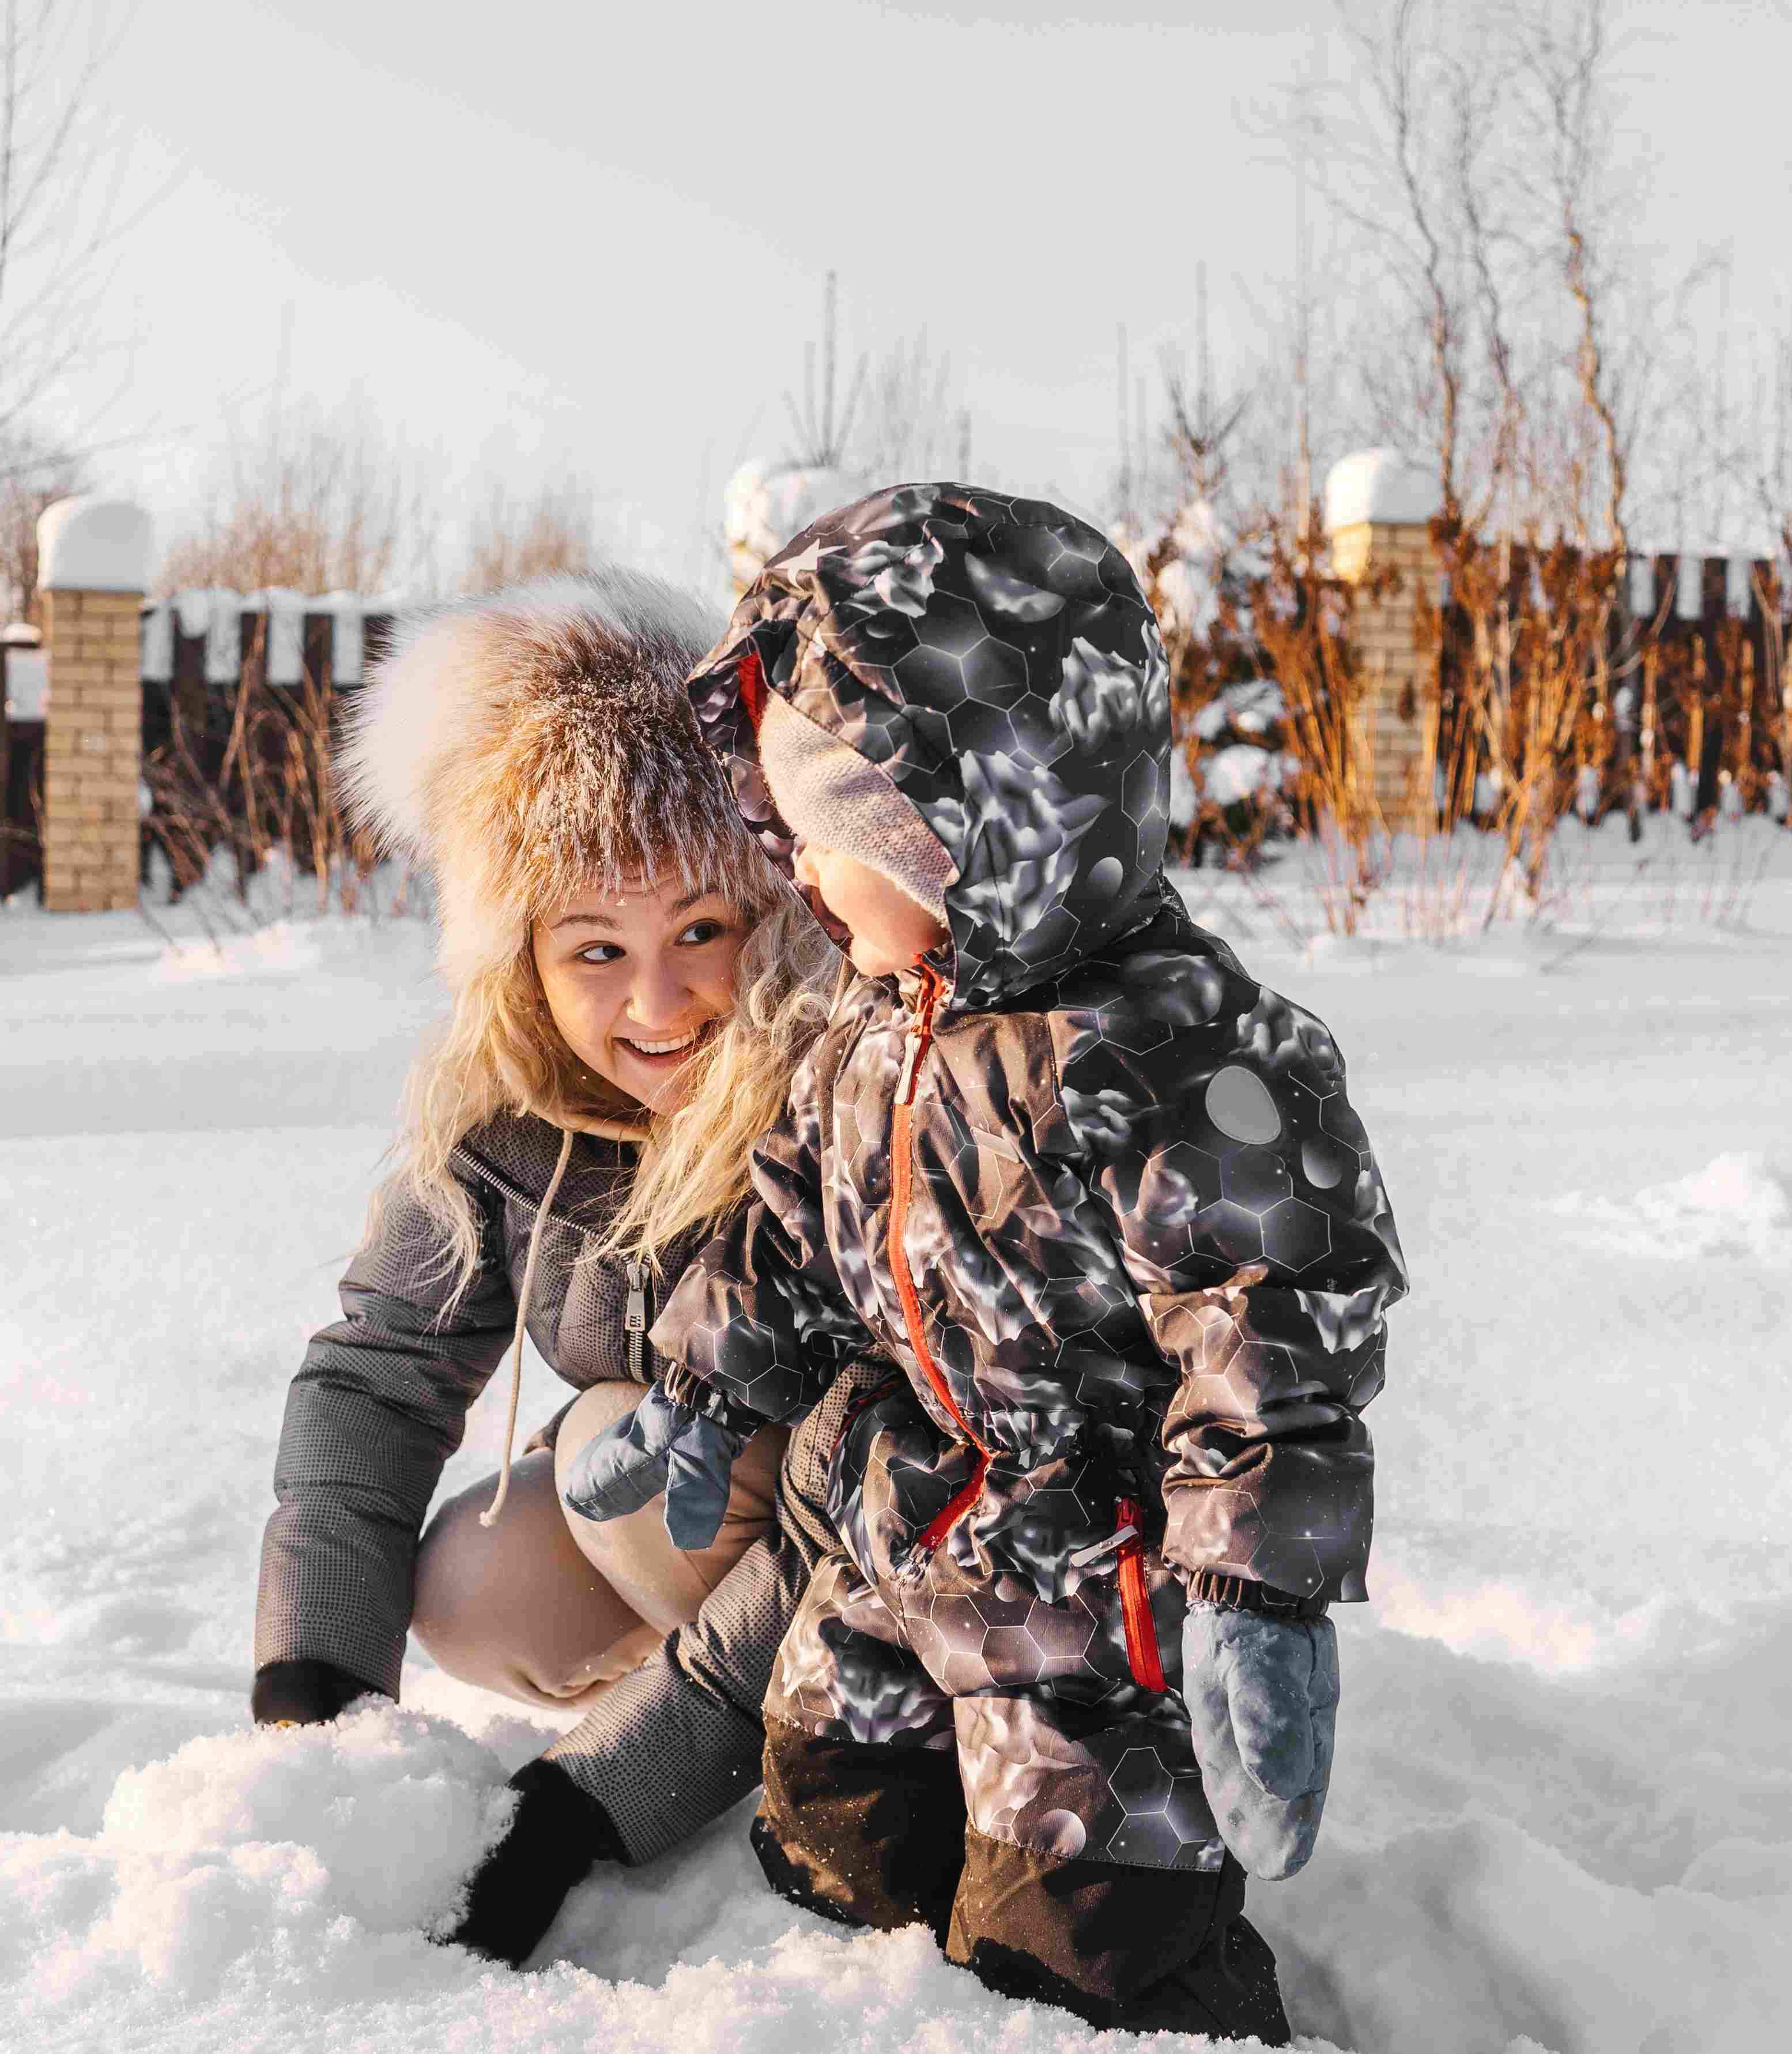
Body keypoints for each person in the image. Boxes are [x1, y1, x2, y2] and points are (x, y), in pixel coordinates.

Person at [569, 484, 1405, 2043]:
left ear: (966, 831)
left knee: (1084, 1948)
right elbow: (792, 1233)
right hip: (904, 1520)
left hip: (1095, 1582)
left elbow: (1273, 1327)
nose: (798, 877)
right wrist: (699, 1384)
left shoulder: (1171, 1053)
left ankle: (1125, 1968)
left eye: (831, 842)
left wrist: (1256, 1591)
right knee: (830, 1825)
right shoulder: (870, 1032)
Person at [248, 570, 839, 1962]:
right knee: (474, 1582)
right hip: (715, 1547)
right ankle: (714, 1701)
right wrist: (312, 1699)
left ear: (770, 907)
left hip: (887, 1559)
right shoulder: (505, 1107)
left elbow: (855, 1503)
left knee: (615, 1453)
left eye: (701, 929)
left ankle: (810, 1729)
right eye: (596, 948)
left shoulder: (838, 1097)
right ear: (521, 961)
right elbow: (377, 1377)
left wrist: (600, 1800)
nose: (657, 1000)